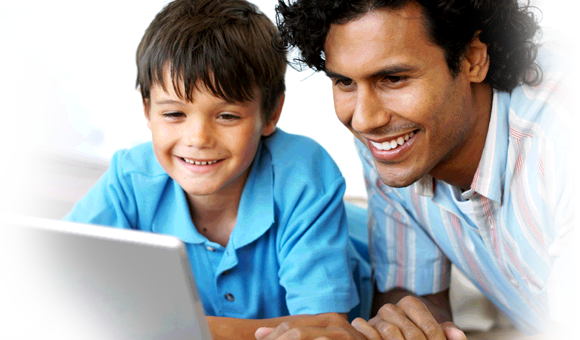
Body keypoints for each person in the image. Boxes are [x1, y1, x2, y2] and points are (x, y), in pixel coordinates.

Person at [262, 0, 575, 339]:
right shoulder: (396, 142)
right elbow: (415, 296)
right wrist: (397, 329)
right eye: (344, 82)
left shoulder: (565, 144)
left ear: (472, 58)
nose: (365, 120)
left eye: (393, 78)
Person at [62, 0, 365, 339]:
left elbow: (326, 326)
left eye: (227, 116)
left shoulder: (304, 177)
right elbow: (55, 275)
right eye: (174, 114)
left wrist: (183, 329)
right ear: (147, 110)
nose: (198, 139)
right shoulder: (131, 177)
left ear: (271, 113)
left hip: (369, 262)